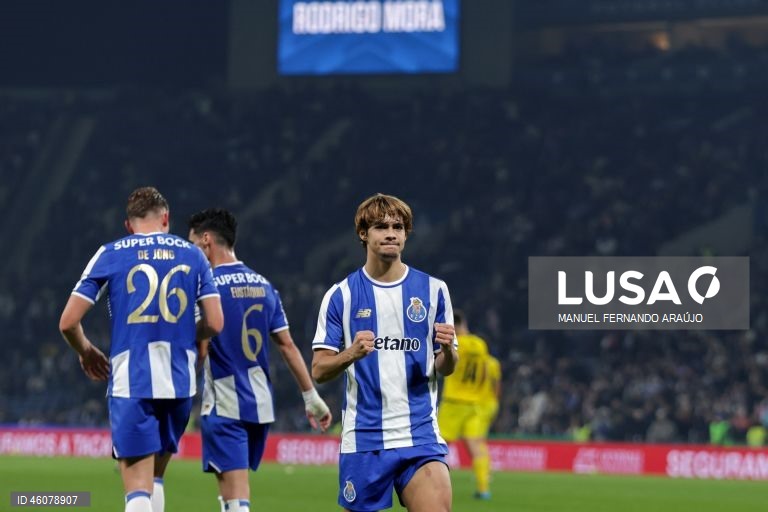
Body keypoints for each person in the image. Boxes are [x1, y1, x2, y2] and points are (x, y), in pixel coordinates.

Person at [59, 187, 224, 512]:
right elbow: (216, 324)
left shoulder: (111, 252)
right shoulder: (193, 255)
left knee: (136, 488)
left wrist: (87, 350)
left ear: (128, 225)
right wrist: (182, 333)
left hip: (131, 383)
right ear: (166, 218)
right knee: (156, 478)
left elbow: (67, 322)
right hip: (178, 385)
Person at [311, 193, 459, 512]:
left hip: (420, 436)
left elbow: (446, 368)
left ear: (406, 234)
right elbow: (319, 370)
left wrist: (448, 349)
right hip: (364, 440)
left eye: (398, 226)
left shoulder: (434, 290)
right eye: (381, 226)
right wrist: (351, 353)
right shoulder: (341, 295)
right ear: (364, 234)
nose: (391, 233)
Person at [187, 208, 333, 512]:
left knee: (236, 496)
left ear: (206, 241)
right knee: (233, 492)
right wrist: (312, 397)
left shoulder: (206, 285)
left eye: (192, 245)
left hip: (226, 401)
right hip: (260, 405)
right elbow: (288, 346)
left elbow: (200, 348)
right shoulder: (264, 286)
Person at [437, 311, 500, 500]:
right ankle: (483, 488)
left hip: (454, 401)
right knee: (475, 444)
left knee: (438, 446)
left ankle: (432, 485)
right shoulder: (480, 345)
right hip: (475, 403)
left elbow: (445, 366)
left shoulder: (456, 344)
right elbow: (485, 373)